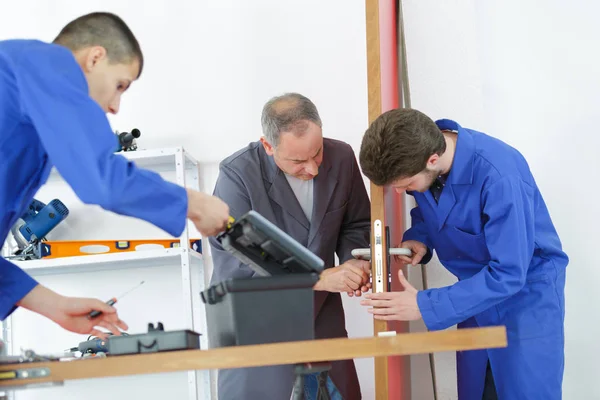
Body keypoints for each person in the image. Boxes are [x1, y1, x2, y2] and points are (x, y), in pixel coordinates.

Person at [0, 12, 230, 339]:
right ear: (95, 57)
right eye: (120, 85)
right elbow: (102, 181)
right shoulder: (46, 64)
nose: (116, 106)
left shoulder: (26, 112)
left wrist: (54, 305)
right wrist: (193, 203)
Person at [358, 108, 568, 400]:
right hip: (473, 296)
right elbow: (434, 209)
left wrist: (423, 305)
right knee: (477, 391)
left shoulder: (500, 176)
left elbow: (509, 273)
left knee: (524, 392)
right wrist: (420, 237)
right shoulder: (422, 154)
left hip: (525, 299)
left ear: (433, 159)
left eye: (405, 185)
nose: (401, 192)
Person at [208, 93, 371, 400]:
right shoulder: (237, 174)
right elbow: (240, 251)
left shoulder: (342, 157)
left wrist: (353, 261)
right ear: (268, 146)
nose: (313, 169)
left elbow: (357, 224)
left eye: (317, 153)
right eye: (298, 161)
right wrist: (318, 278)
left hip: (321, 314)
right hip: (256, 320)